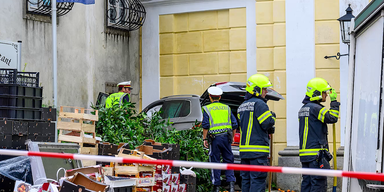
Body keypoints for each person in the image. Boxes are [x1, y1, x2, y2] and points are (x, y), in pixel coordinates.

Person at [298, 77, 340, 192]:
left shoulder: (303, 109)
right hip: (316, 155)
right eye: (324, 93)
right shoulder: (316, 108)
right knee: (318, 184)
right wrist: (334, 103)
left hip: (305, 155)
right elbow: (332, 118)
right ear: (316, 93)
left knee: (306, 184)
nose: (326, 95)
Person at [237, 74, 276, 192]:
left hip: (244, 152)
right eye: (264, 89)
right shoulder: (260, 104)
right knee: (257, 181)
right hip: (258, 151)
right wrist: (272, 116)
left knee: (246, 181)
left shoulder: (241, 106)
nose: (266, 91)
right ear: (257, 89)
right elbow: (267, 123)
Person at [202, 87, 238, 192]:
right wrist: (232, 138)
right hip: (226, 138)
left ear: (210, 97)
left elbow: (205, 126)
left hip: (214, 139)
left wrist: (204, 139)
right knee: (229, 160)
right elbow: (234, 124)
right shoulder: (227, 108)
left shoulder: (207, 108)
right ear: (220, 97)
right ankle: (231, 185)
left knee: (215, 161)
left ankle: (216, 187)